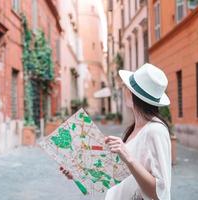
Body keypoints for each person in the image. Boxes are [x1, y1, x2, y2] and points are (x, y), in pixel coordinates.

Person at [60, 63, 172, 200]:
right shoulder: (135, 127)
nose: (123, 89)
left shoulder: (156, 130)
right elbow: (118, 175)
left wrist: (128, 158)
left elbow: (160, 192)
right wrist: (78, 173)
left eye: (125, 86)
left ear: (131, 94)